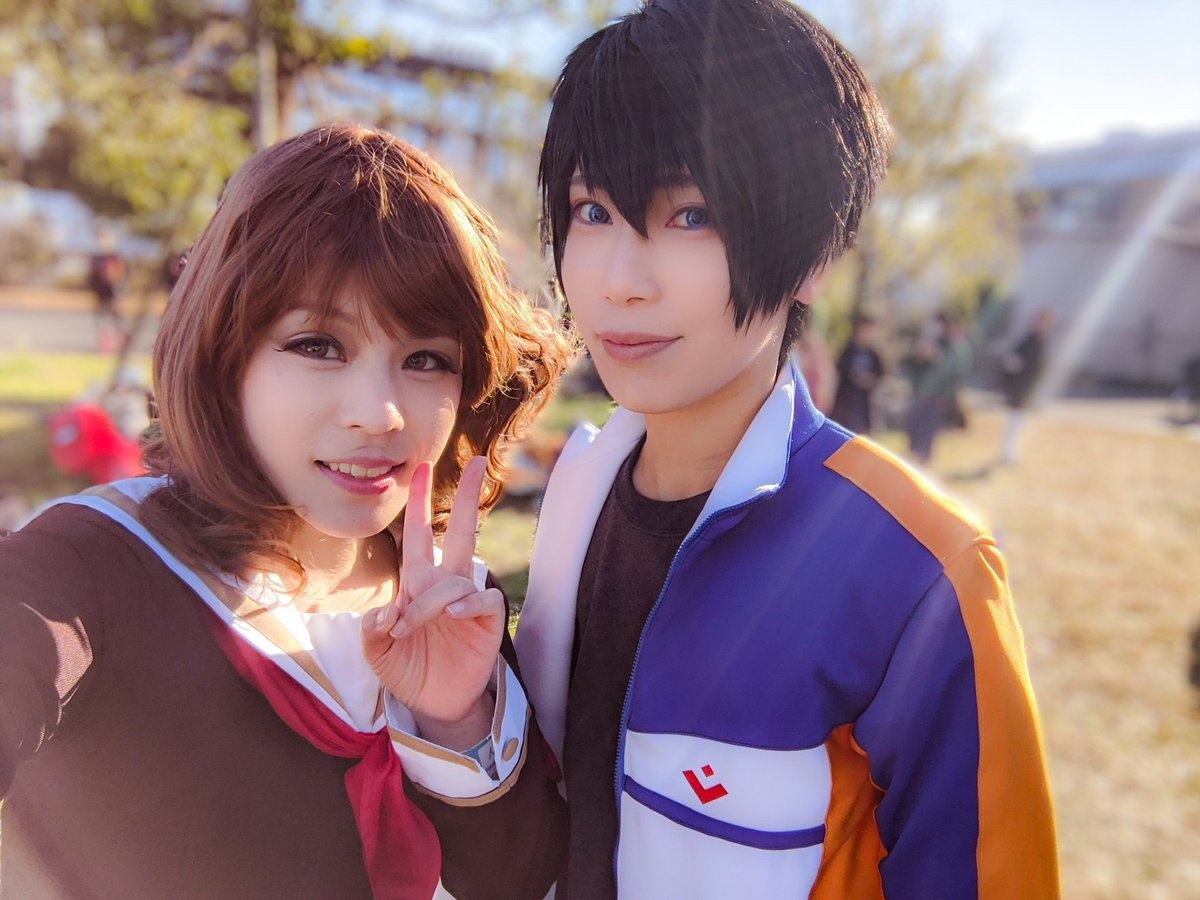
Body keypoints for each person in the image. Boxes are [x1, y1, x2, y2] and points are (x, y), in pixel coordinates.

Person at [515, 2, 1057, 897]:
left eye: (692, 215)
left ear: (813, 257)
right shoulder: (579, 486)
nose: (620, 280)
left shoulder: (922, 570)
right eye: (593, 210)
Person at [0, 124, 570, 899]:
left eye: (426, 359)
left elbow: (517, 879)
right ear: (224, 353)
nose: (379, 413)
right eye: (318, 345)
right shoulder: (90, 568)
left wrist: (456, 724)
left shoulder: (448, 598)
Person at [905, 309, 973, 465]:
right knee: (915, 425)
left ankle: (922, 458)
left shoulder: (953, 344)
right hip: (921, 391)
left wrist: (936, 354)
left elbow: (955, 368)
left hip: (938, 395)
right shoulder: (931, 340)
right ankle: (913, 455)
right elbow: (915, 360)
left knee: (927, 428)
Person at [999, 307, 1054, 463]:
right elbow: (1011, 361)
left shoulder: (1042, 341)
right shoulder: (1028, 341)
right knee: (1014, 421)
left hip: (1030, 389)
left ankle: (1011, 452)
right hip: (1021, 388)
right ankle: (1007, 453)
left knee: (1021, 422)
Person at [831, 312, 885, 433]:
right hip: (846, 403)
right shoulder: (849, 350)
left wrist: (869, 380)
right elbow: (840, 370)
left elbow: (880, 376)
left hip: (864, 405)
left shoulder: (874, 354)